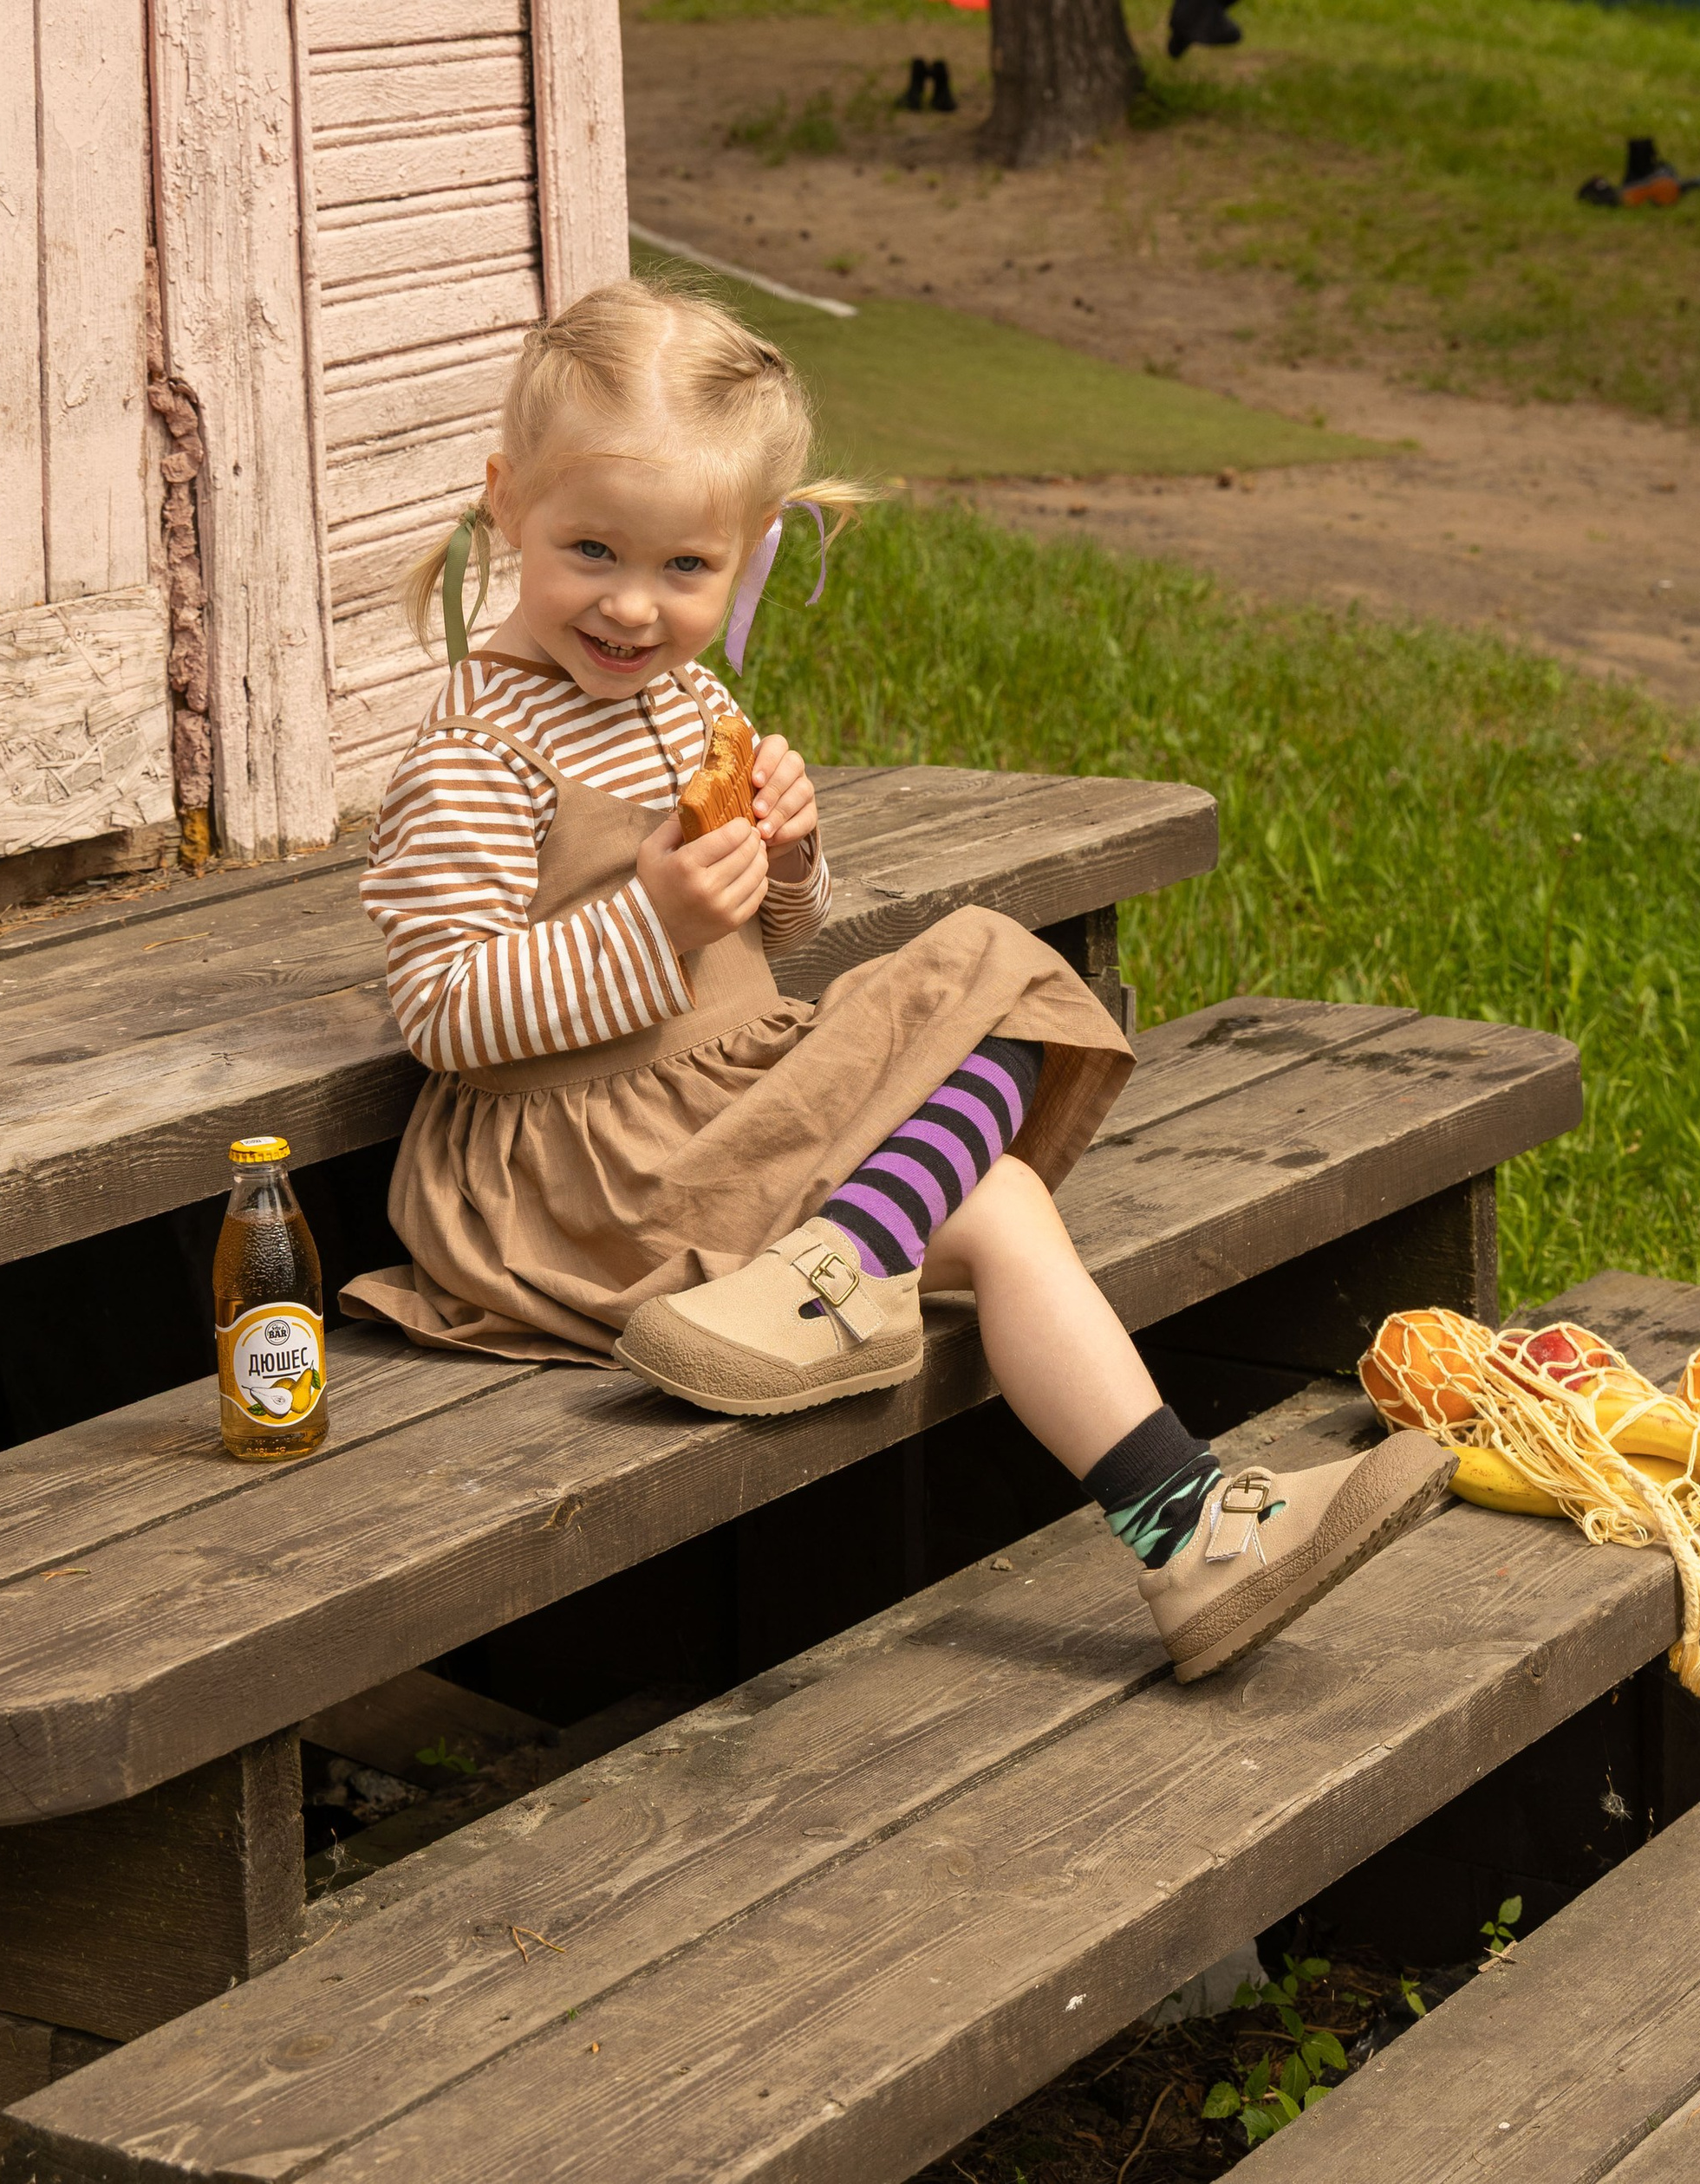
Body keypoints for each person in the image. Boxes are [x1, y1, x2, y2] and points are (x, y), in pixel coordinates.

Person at [344, 281, 1445, 1680]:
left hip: (716, 1105)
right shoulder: (475, 754)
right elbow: (444, 1014)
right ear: (508, 504)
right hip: (590, 1171)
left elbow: (772, 946)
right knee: (991, 1009)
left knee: (1000, 1125)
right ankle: (866, 1273)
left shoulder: (690, 704)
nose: (630, 604)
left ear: (747, 552)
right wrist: (651, 923)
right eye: (591, 550)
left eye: (684, 568)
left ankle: (1184, 1534)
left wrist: (788, 859)